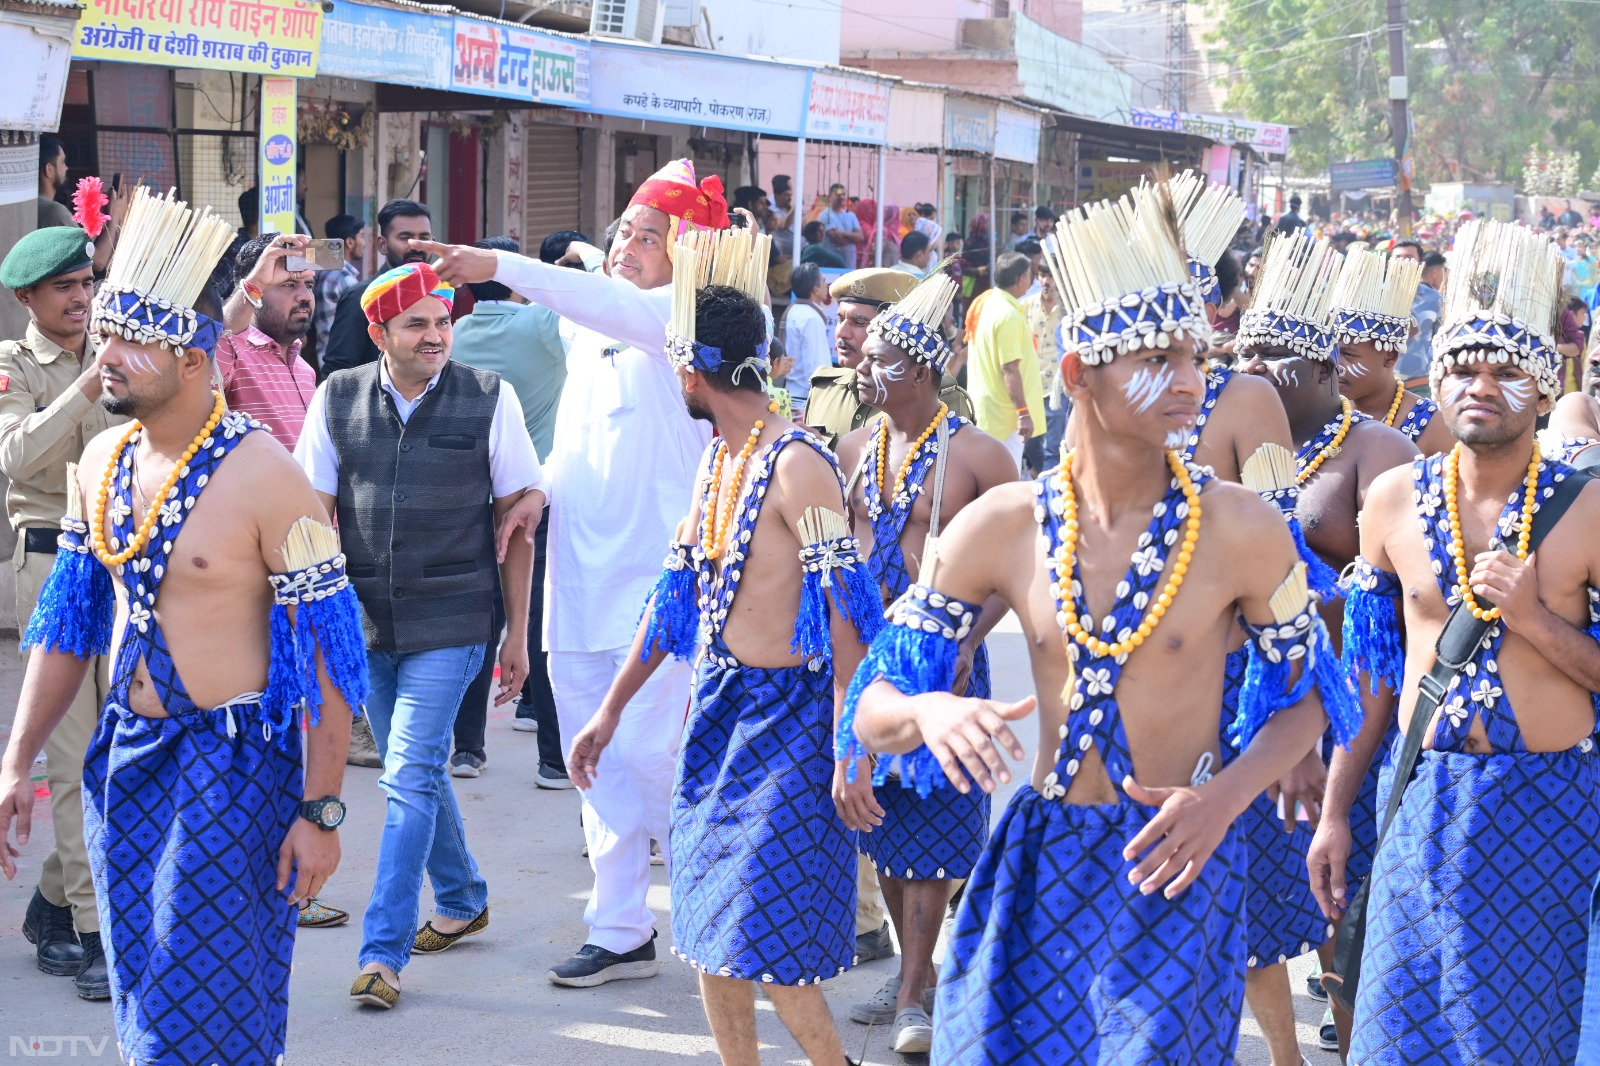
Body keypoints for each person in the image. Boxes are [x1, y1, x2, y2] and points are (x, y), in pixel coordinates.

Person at [841, 182, 1357, 1064]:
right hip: (1040, 855)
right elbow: (873, 709)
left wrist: (1222, 801)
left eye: (1196, 354)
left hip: (1178, 856)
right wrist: (931, 712)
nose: (1191, 380)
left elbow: (1314, 698)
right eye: (1156, 357)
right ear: (1079, 372)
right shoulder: (1001, 525)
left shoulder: (1240, 527)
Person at [0, 186, 366, 1064]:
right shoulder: (100, 461)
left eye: (131, 340)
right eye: (107, 334)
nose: (105, 354)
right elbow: (67, 626)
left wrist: (320, 809)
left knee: (213, 1015)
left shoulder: (266, 474)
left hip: (233, 771)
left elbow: (330, 655)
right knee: (144, 1001)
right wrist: (16, 762)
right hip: (126, 762)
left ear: (196, 357)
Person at [567, 252, 878, 1066]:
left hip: (790, 727)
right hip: (716, 715)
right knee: (707, 931)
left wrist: (855, 745)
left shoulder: (800, 465)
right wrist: (609, 711)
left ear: (690, 365)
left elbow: (849, 625)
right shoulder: (717, 462)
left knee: (758, 929)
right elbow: (672, 603)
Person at [415, 159, 721, 988]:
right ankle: (621, 928)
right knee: (596, 761)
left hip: (659, 582)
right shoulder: (595, 329)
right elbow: (583, 440)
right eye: (625, 230)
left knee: (655, 756)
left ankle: (719, 906)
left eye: (650, 238)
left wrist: (500, 266)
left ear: (687, 257)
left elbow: (608, 299)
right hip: (577, 577)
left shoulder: (676, 318)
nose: (629, 247)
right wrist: (536, 489)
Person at [1320, 219, 1600, 1064]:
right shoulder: (1394, 502)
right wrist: (1336, 811)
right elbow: (1370, 679)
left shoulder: (1588, 508)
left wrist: (1536, 622)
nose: (1482, 387)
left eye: (1508, 371)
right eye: (1464, 369)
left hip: (1551, 811)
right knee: (1402, 1040)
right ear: (1434, 380)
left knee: (1527, 1043)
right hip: (1419, 806)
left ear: (1546, 391)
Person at [293, 261, 543, 1010]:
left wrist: (518, 637)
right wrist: (307, 627)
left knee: (405, 773)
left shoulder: (491, 399)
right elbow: (311, 518)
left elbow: (521, 523)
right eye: (417, 325)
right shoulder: (336, 398)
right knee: (421, 769)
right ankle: (463, 898)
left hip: (455, 619)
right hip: (363, 623)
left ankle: (381, 953)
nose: (436, 336)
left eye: (443, 322)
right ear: (379, 334)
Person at [1234, 231, 1420, 1062]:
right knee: (1264, 910)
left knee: (1346, 910)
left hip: (1357, 716)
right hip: (1258, 709)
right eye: (1251, 351)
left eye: (1280, 354)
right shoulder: (1230, 439)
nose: (1259, 369)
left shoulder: (1379, 454)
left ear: (1319, 367)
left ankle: (1351, 1044)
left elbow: (1410, 602)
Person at [834, 268, 1018, 1054]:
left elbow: (1020, 560)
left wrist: (972, 639)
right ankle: (918, 977)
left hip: (947, 661)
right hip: (876, 662)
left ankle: (914, 990)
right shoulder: (851, 445)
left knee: (937, 825)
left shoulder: (978, 454)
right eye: (862, 357)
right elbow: (841, 563)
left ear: (928, 368)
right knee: (885, 821)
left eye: (883, 360)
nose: (864, 371)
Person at [0, 228, 123, 1000]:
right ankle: (94, 928)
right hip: (51, 564)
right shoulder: (12, 367)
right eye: (64, 288)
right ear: (26, 299)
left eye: (87, 282)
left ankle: (51, 902)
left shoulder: (119, 346)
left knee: (115, 751)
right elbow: (17, 459)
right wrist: (85, 384)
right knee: (74, 758)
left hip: (125, 560)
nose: (81, 298)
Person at [804, 268, 973, 450]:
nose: (841, 333)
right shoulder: (824, 389)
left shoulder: (934, 397)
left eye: (859, 322)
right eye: (840, 320)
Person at [1331, 246, 1455, 455]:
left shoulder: (1433, 424)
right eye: (1332, 353)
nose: (1335, 365)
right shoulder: (1324, 414)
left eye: (1349, 355)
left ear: (1389, 356)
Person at [215, 234, 318, 449]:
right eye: (289, 284)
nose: (305, 296)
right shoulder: (232, 355)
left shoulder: (304, 371)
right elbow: (216, 345)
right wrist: (255, 283)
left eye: (309, 285)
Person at [318, 199, 434, 379]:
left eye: (424, 238)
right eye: (405, 237)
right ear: (382, 245)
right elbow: (337, 372)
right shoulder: (361, 297)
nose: (416, 246)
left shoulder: (440, 295)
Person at [967, 251, 1043, 471]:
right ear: (1021, 279)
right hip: (1006, 417)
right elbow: (1009, 369)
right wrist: (1023, 414)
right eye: (1030, 274)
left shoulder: (986, 303)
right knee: (1004, 483)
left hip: (991, 411)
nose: (1033, 279)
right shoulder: (1007, 315)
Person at [1020, 264, 1066, 466]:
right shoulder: (1026, 306)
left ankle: (1047, 492)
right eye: (1042, 275)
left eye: (1052, 276)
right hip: (1030, 386)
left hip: (1058, 388)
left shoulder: (1068, 311)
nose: (1046, 281)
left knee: (1053, 449)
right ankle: (1040, 478)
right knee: (1028, 444)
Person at [314, 213, 367, 358]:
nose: (364, 243)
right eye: (362, 236)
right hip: (342, 357)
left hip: (326, 355)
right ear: (350, 242)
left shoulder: (323, 272)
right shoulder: (343, 278)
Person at [784, 262, 833, 421]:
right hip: (807, 399)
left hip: (793, 393)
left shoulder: (794, 310)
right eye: (823, 281)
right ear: (815, 289)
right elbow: (816, 367)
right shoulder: (811, 317)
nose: (826, 285)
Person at [1397, 251, 1447, 382]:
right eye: (1398, 257)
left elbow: (1442, 340)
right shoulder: (1377, 296)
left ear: (1421, 263)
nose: (1403, 262)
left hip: (1420, 380)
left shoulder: (1435, 298)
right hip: (1386, 380)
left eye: (1409, 257)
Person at [820, 184, 867, 269]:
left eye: (843, 194)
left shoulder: (850, 215)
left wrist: (842, 233)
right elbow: (838, 240)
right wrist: (853, 238)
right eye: (838, 194)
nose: (841, 197)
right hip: (832, 266)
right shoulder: (825, 215)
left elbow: (860, 237)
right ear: (830, 197)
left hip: (849, 266)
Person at [36, 136, 73, 230]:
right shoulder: (54, 211)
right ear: (49, 170)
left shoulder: (33, 205)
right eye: (63, 162)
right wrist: (113, 213)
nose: (66, 168)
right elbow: (88, 245)